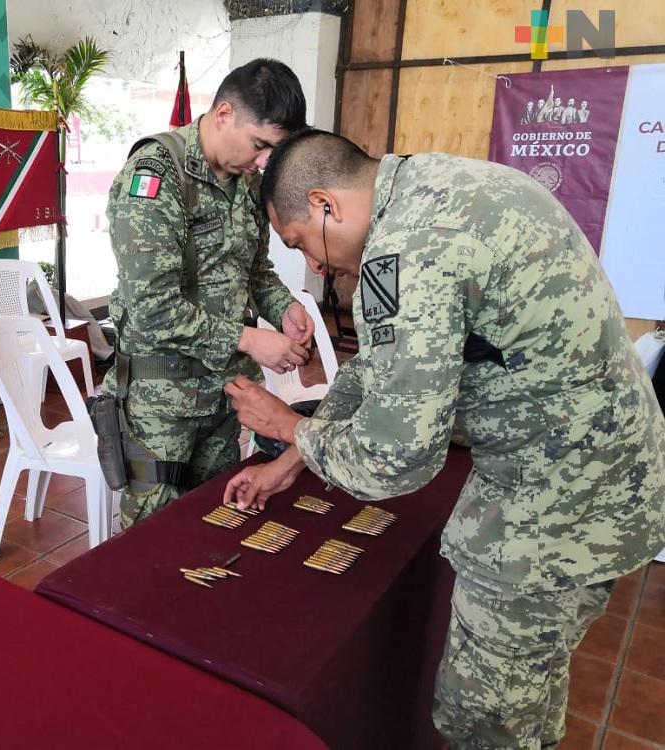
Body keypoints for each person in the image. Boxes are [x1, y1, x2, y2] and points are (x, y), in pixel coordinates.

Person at [221, 129, 665, 749]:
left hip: (556, 502)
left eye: (303, 244)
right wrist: (292, 461)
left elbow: (395, 457)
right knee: (527, 693)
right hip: (598, 469)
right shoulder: (433, 186)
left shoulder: (406, 253)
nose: (315, 266)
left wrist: (286, 424)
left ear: (326, 204)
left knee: (484, 719)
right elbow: (375, 372)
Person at [102, 58, 313, 529]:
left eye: (271, 152)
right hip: (162, 403)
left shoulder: (248, 183)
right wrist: (250, 340)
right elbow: (152, 309)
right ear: (223, 114)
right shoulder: (155, 178)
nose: (263, 161)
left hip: (223, 394)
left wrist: (285, 310)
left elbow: (255, 271)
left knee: (212, 521)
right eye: (260, 145)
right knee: (152, 534)